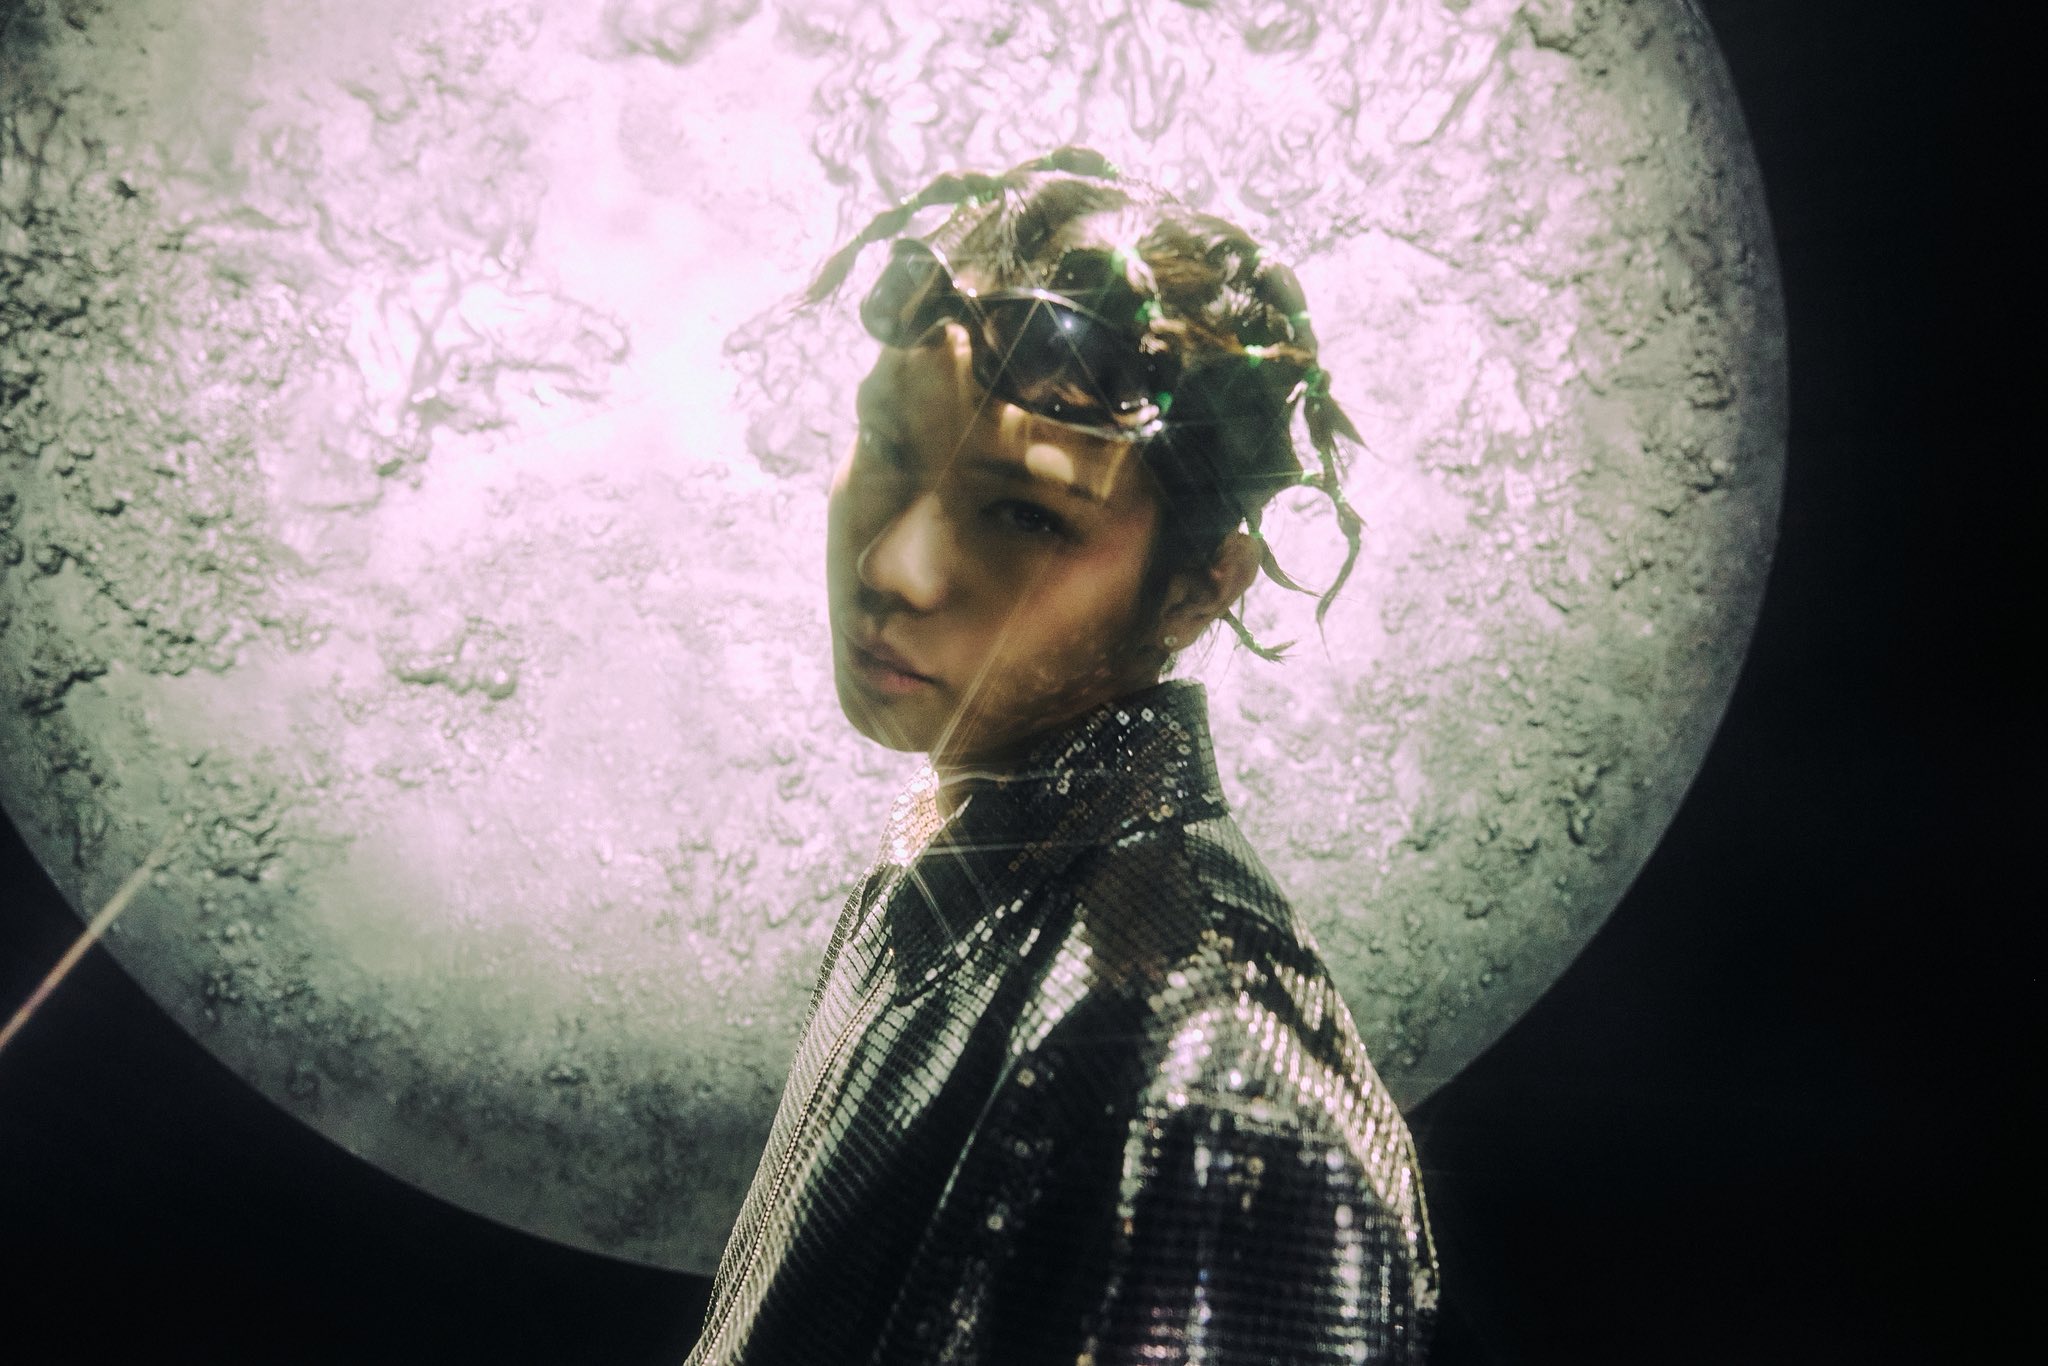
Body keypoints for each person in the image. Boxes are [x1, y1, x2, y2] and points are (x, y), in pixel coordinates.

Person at [687, 149, 1436, 1365]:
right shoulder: (942, 863)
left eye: (1024, 514)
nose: (892, 567)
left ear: (1197, 587)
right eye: (888, 444)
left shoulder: (1223, 1082)